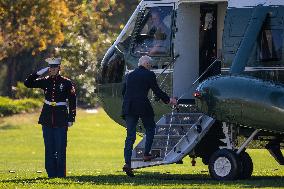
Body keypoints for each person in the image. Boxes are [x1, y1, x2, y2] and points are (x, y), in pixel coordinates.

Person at [121, 55, 177, 177]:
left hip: (129, 107)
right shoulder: (149, 74)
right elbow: (156, 90)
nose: (150, 67)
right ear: (146, 64)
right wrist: (169, 100)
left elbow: (123, 92)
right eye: (150, 65)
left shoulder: (129, 75)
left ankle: (127, 163)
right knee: (151, 128)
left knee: (130, 136)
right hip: (142, 106)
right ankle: (146, 153)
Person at [24, 57, 76, 178]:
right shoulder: (45, 80)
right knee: (49, 148)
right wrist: (38, 72)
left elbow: (73, 100)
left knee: (61, 148)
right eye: (51, 67)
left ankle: (61, 174)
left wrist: (71, 117)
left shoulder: (66, 82)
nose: (52, 70)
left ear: (59, 68)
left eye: (55, 67)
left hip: (61, 117)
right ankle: (51, 174)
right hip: (47, 117)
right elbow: (27, 83)